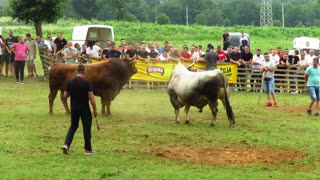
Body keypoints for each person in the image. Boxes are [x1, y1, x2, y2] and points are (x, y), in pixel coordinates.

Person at [62, 64, 97, 155]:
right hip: (84, 108)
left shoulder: (70, 81)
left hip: (74, 108)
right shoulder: (87, 82)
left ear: (77, 71)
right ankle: (88, 149)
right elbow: (91, 98)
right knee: (86, 128)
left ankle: (66, 144)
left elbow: (65, 95)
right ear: (84, 72)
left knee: (73, 126)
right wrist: (95, 109)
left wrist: (71, 92)